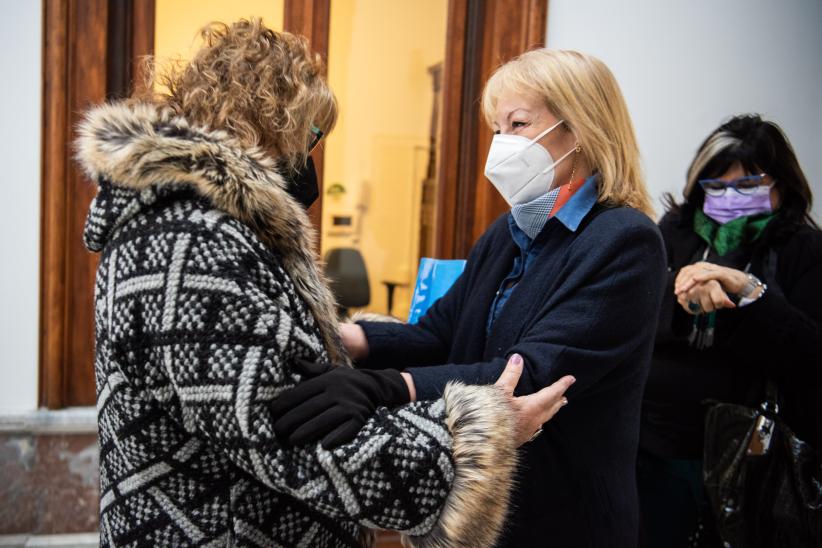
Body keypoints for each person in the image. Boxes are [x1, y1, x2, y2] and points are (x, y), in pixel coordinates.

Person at [76, 20, 575, 547]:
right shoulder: (188, 243)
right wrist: (470, 437)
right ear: (267, 123)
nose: (311, 156)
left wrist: (350, 346)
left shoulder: (197, 228)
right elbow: (287, 436)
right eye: (310, 135)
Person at [273, 49, 668, 547]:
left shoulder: (624, 241)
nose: (501, 145)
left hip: (564, 518)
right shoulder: (509, 232)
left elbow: (528, 374)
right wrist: (343, 338)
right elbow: (438, 334)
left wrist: (387, 387)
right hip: (481, 516)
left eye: (518, 124)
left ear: (582, 128)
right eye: (496, 129)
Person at [637, 114, 822, 547]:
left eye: (746, 187)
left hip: (747, 452)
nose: (729, 200)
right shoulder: (677, 230)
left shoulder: (801, 248)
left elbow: (811, 353)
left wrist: (749, 293)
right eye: (716, 187)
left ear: (780, 187)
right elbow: (639, 313)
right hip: (655, 442)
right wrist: (682, 294)